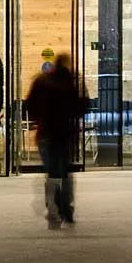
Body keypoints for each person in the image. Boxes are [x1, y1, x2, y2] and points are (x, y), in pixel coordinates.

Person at [22, 49, 89, 230]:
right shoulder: (74, 82)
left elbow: (30, 105)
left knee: (51, 172)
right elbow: (83, 107)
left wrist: (39, 120)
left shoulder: (41, 81)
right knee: (66, 171)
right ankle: (66, 209)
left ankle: (52, 208)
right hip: (66, 133)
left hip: (46, 133)